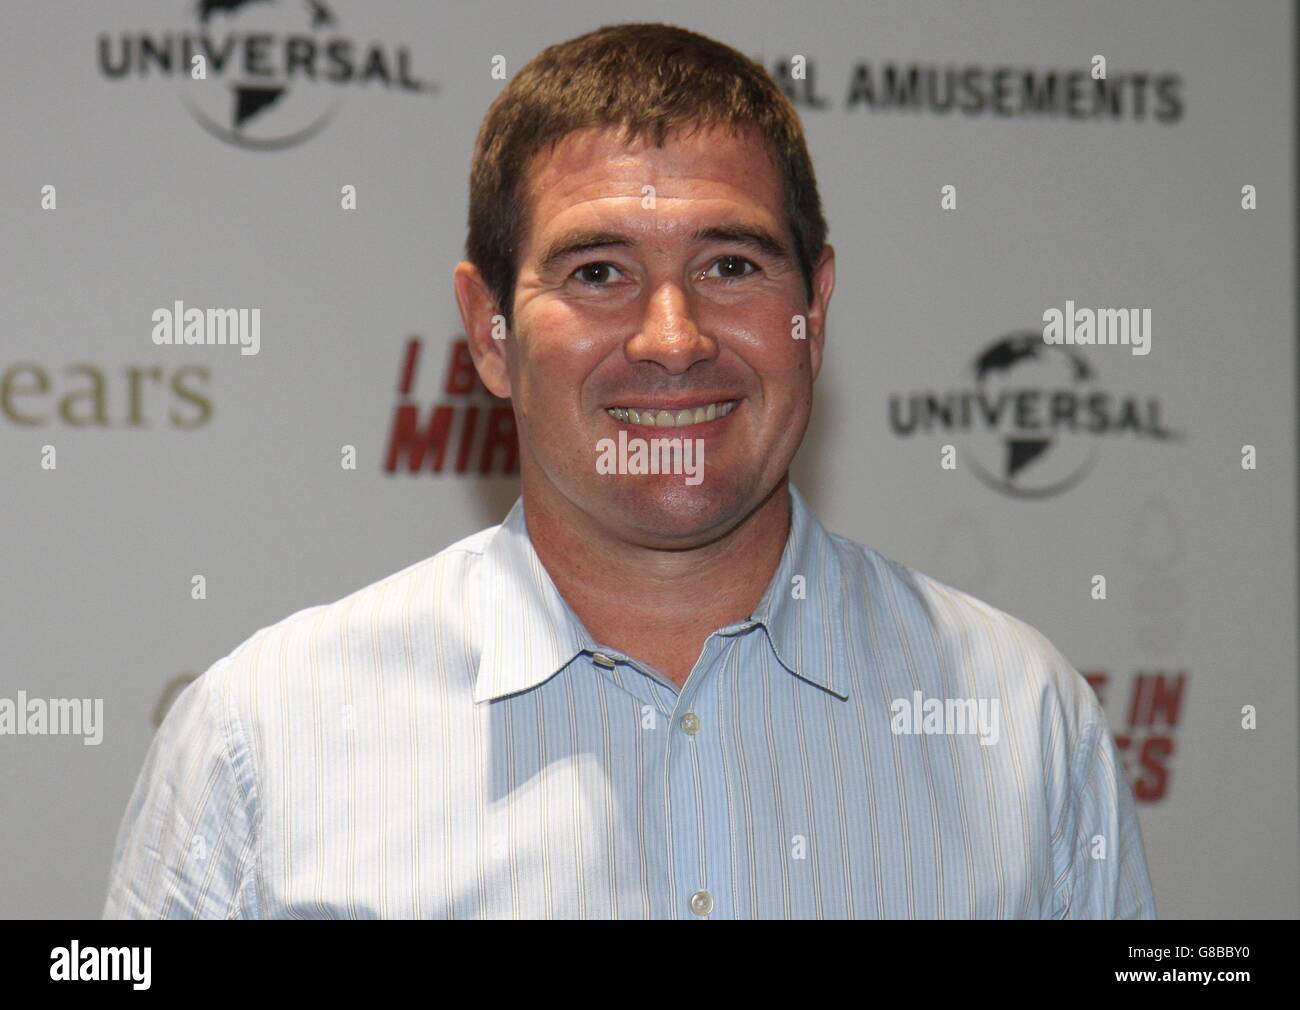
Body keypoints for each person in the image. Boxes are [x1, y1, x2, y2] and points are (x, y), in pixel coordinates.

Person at [102, 22, 1155, 919]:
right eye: (597, 271)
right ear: (489, 331)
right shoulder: (262, 737)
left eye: (731, 265)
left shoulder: (1024, 719)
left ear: (813, 309)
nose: (672, 336)